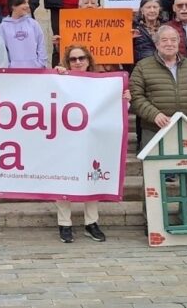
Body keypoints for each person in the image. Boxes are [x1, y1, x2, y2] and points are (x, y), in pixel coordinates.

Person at [129, 25, 187, 220]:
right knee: (153, 177)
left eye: (173, 40)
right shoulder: (143, 67)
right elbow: (136, 96)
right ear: (157, 44)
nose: (169, 44)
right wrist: (153, 114)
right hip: (154, 129)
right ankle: (154, 220)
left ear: (179, 43)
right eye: (164, 40)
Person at [51, 44, 129, 243]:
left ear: (88, 60)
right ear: (67, 62)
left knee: (92, 178)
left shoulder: (101, 83)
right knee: (62, 178)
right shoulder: (60, 80)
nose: (78, 62)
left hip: (91, 140)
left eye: (81, 58)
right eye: (73, 59)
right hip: (64, 139)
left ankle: (91, 222)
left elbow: (114, 109)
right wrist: (56, 75)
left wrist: (123, 99)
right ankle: (64, 223)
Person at [0, 0, 46, 69]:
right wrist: (8, 67)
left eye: (27, 2)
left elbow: (41, 45)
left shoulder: (33, 24)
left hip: (35, 72)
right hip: (13, 74)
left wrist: (40, 64)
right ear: (13, 6)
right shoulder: (2, 27)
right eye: (24, 3)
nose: (27, 6)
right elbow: (1, 51)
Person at [132, 0, 161, 64]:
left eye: (155, 7)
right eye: (148, 7)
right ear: (142, 10)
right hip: (142, 67)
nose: (152, 10)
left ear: (159, 9)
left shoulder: (166, 27)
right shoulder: (133, 28)